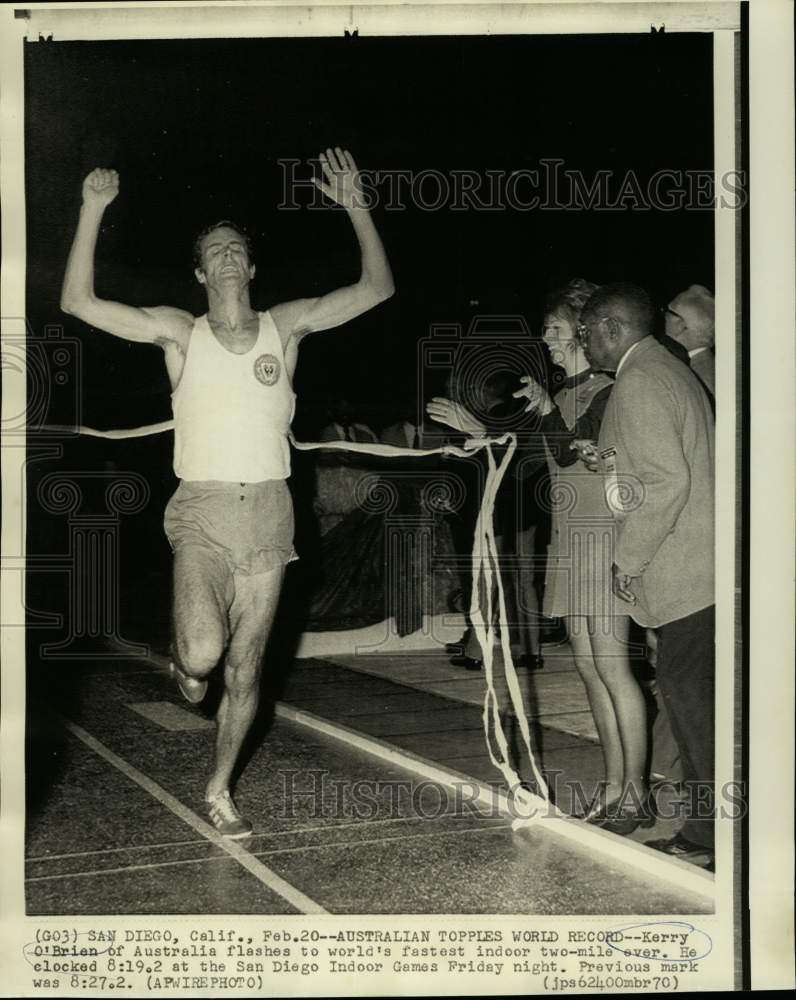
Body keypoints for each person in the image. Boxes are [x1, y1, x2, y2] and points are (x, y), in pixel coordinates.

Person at [60, 150, 394, 837]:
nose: (229, 258)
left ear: (250, 267)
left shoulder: (286, 324)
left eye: (238, 249)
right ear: (200, 273)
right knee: (208, 653)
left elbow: (376, 290)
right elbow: (79, 303)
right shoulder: (180, 333)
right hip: (204, 511)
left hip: (270, 510)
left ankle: (219, 788)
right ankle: (186, 664)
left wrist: (356, 202)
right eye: (216, 252)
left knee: (247, 669)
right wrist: (92, 210)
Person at [580, 282, 715, 868]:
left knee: (692, 706)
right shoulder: (666, 368)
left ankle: (710, 837)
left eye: (586, 333)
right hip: (698, 566)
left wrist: (627, 560)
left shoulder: (638, 381)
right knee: (694, 703)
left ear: (611, 329)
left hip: (685, 571)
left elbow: (667, 483)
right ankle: (708, 831)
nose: (584, 344)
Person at [513, 279, 648, 830]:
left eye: (557, 328)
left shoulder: (611, 388)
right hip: (570, 542)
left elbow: (575, 447)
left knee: (616, 670)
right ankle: (613, 787)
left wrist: (546, 410)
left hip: (605, 540)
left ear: (585, 333)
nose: (545, 337)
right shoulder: (563, 395)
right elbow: (540, 454)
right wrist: (477, 427)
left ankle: (637, 794)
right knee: (590, 669)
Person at [663, 284, 715, 402]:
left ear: (680, 326)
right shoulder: (708, 367)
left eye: (668, 311)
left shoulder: (691, 376)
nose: (664, 316)